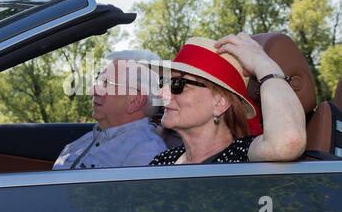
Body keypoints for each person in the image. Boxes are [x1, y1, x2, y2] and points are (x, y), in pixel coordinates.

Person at [143, 33, 306, 165]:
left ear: (220, 102)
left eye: (177, 84)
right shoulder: (163, 161)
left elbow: (288, 142)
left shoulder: (240, 156)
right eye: (163, 82)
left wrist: (262, 63)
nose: (161, 94)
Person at [53, 50, 167, 170]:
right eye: (99, 81)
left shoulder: (145, 153)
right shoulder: (91, 137)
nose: (93, 90)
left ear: (134, 101)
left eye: (106, 83)